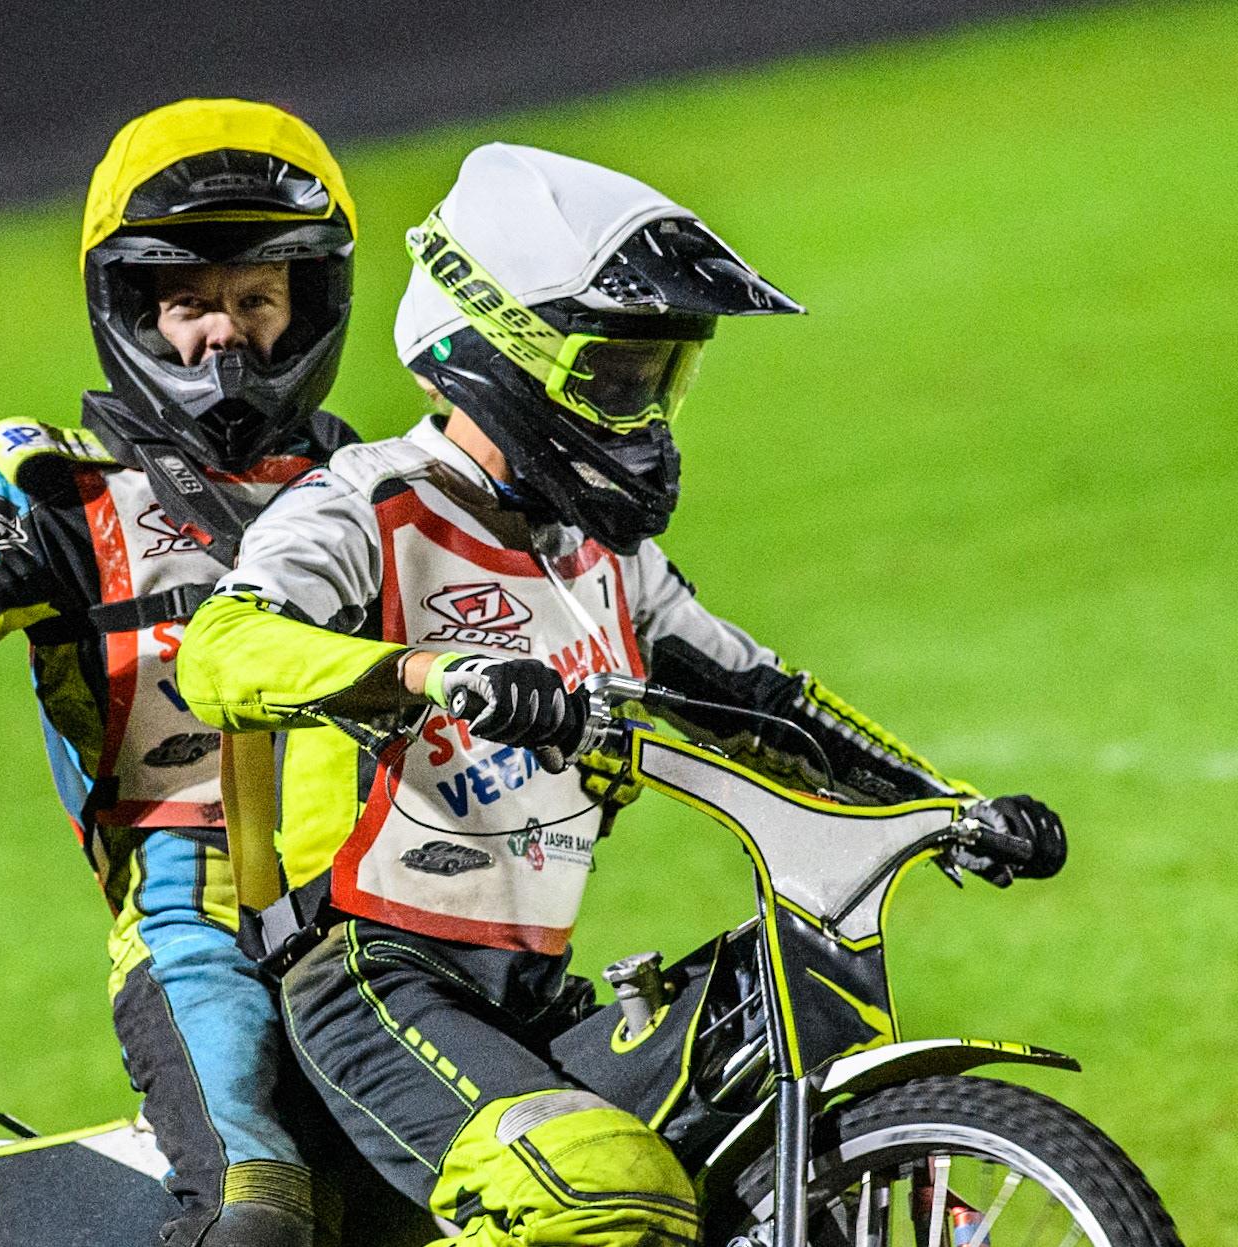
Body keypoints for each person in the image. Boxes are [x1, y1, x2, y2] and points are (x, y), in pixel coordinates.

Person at [175, 143, 1066, 1247]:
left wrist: (950, 806)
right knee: (596, 1186)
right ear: (500, 355)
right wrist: (427, 671)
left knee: (739, 1117)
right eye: (617, 377)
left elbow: (766, 703)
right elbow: (216, 652)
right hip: (371, 976)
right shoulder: (366, 507)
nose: (643, 415)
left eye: (661, 380)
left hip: (532, 996)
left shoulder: (605, 558)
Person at [0, 98, 363, 1247]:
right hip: (204, 924)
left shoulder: (387, 481)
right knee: (261, 1218)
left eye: (254, 299)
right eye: (190, 303)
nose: (222, 337)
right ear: (131, 307)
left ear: (309, 306)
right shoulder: (51, 494)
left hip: (410, 910)